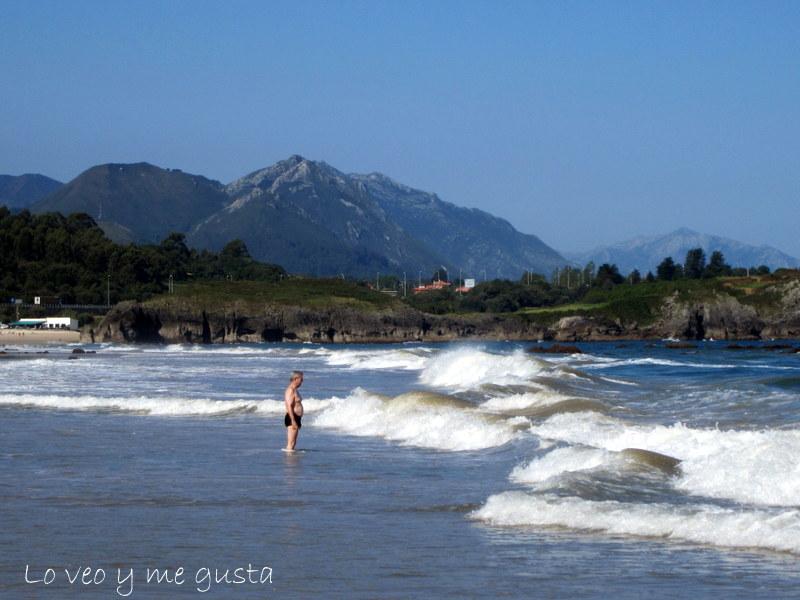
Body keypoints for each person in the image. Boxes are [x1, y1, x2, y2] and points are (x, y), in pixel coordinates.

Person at [283, 371, 304, 451]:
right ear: (295, 379)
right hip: (292, 417)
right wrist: (293, 420)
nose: (302, 382)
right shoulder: (290, 390)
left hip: (296, 417)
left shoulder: (295, 390)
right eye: (301, 380)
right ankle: (289, 461)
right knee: (291, 443)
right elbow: (289, 406)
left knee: (293, 443)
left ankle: (292, 460)